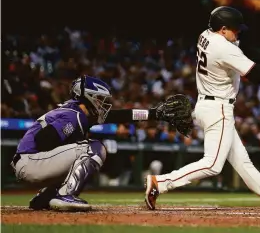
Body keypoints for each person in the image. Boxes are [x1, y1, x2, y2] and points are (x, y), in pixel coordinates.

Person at [145, 6, 260, 211]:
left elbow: (245, 49)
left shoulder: (206, 35)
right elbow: (257, 75)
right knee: (212, 165)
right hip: (218, 107)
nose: (237, 32)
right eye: (234, 29)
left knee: (242, 161)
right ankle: (161, 182)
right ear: (222, 29)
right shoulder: (223, 48)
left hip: (208, 104)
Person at [11, 75, 193, 211]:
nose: (104, 104)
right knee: (93, 148)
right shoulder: (72, 115)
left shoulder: (78, 113)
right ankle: (65, 195)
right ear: (88, 97)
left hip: (31, 161)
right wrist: (75, 143)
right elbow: (42, 140)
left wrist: (154, 113)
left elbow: (121, 115)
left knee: (82, 152)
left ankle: (46, 197)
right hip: (31, 161)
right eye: (100, 99)